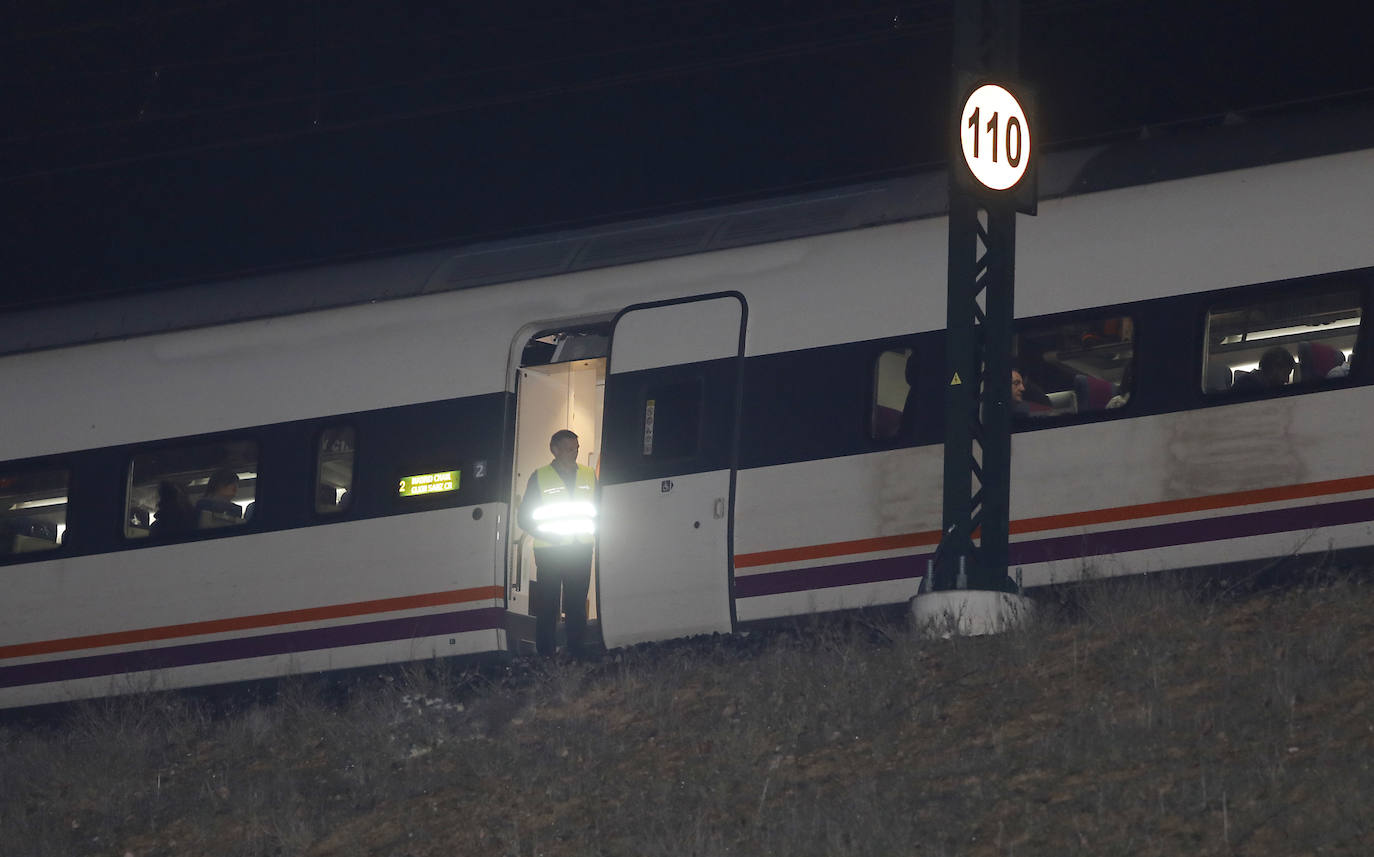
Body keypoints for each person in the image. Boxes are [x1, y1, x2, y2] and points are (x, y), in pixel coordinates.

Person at [518, 430, 598, 658]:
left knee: (575, 605)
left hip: (580, 549)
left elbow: (600, 510)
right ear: (554, 450)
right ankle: (546, 654)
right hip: (550, 552)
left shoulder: (588, 475)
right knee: (548, 606)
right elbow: (524, 518)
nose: (574, 453)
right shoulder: (540, 476)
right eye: (569, 448)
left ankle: (576, 652)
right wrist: (550, 535)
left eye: (576, 448)